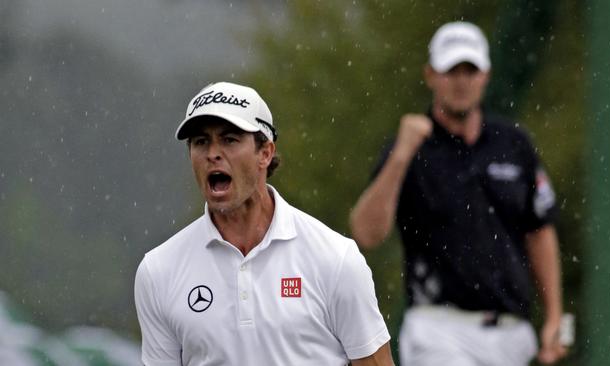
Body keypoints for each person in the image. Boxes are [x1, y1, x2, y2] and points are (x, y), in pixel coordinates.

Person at [349, 22, 567, 366]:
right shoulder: (410, 146)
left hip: (513, 331)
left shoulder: (513, 143)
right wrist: (402, 156)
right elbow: (366, 232)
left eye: (470, 70)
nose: (461, 81)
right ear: (431, 75)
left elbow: (538, 229)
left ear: (486, 75)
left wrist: (554, 316)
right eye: (451, 71)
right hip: (438, 329)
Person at [134, 81, 394, 366]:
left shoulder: (335, 257)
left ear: (265, 153)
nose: (212, 153)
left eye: (230, 139)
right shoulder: (158, 271)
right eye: (200, 142)